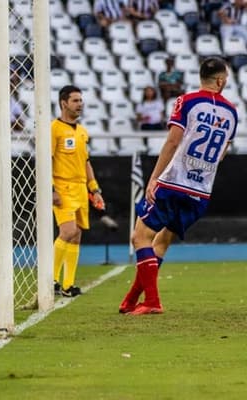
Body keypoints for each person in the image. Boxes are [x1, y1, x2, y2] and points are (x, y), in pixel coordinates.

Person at [119, 57, 237, 315]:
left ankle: (152, 301)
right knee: (161, 241)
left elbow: (173, 142)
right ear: (220, 80)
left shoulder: (188, 102)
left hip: (174, 183)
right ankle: (130, 300)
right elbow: (222, 153)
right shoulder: (231, 112)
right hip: (200, 191)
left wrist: (154, 178)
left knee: (140, 237)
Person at [51, 85, 107, 297]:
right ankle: (52, 279)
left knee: (76, 236)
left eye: (81, 100)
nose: (80, 104)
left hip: (81, 189)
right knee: (68, 231)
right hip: (62, 187)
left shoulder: (82, 132)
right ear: (64, 103)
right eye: (75, 100)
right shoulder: (54, 129)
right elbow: (47, 160)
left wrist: (95, 189)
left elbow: (86, 162)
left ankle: (67, 285)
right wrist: (52, 189)